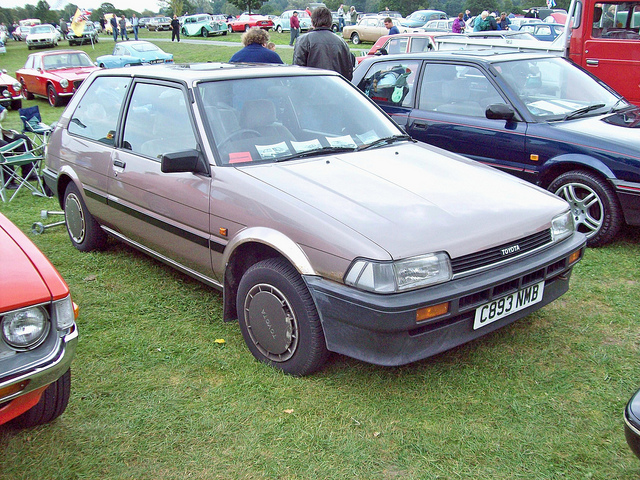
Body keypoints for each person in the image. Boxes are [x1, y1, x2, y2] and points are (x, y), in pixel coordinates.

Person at [293, 7, 355, 80]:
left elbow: (297, 71)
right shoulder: (342, 43)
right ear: (330, 22)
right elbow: (348, 73)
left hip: (311, 88)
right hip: (336, 88)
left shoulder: (303, 40)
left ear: (312, 21)